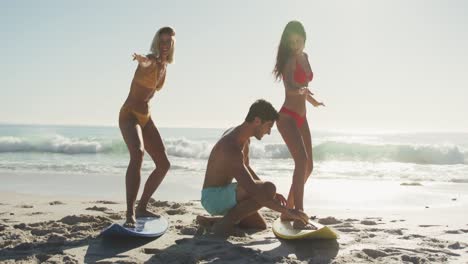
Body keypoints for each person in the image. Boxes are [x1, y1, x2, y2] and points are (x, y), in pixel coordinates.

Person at [198, 99, 309, 236]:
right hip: (214, 198)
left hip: (225, 193)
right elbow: (254, 190)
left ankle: (212, 222)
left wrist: (268, 193)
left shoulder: (243, 138)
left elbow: (246, 169)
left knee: (259, 225)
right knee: (268, 188)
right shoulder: (231, 147)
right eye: (268, 126)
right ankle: (223, 225)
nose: (268, 132)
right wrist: (287, 211)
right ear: (257, 121)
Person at [119, 26, 176, 227]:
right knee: (138, 154)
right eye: (162, 41)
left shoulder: (165, 67)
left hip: (145, 116)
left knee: (164, 164)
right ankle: (130, 213)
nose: (165, 45)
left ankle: (142, 206)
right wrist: (141, 59)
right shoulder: (151, 59)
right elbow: (146, 62)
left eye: (168, 41)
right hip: (129, 115)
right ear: (156, 42)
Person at [272, 21, 325, 229]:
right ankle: (298, 213)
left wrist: (313, 101)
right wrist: (301, 92)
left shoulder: (305, 57)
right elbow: (291, 87)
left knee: (309, 166)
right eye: (291, 41)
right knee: (301, 162)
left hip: (302, 117)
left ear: (304, 39)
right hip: (287, 117)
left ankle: (289, 210)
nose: (295, 45)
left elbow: (305, 87)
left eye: (298, 40)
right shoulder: (289, 60)